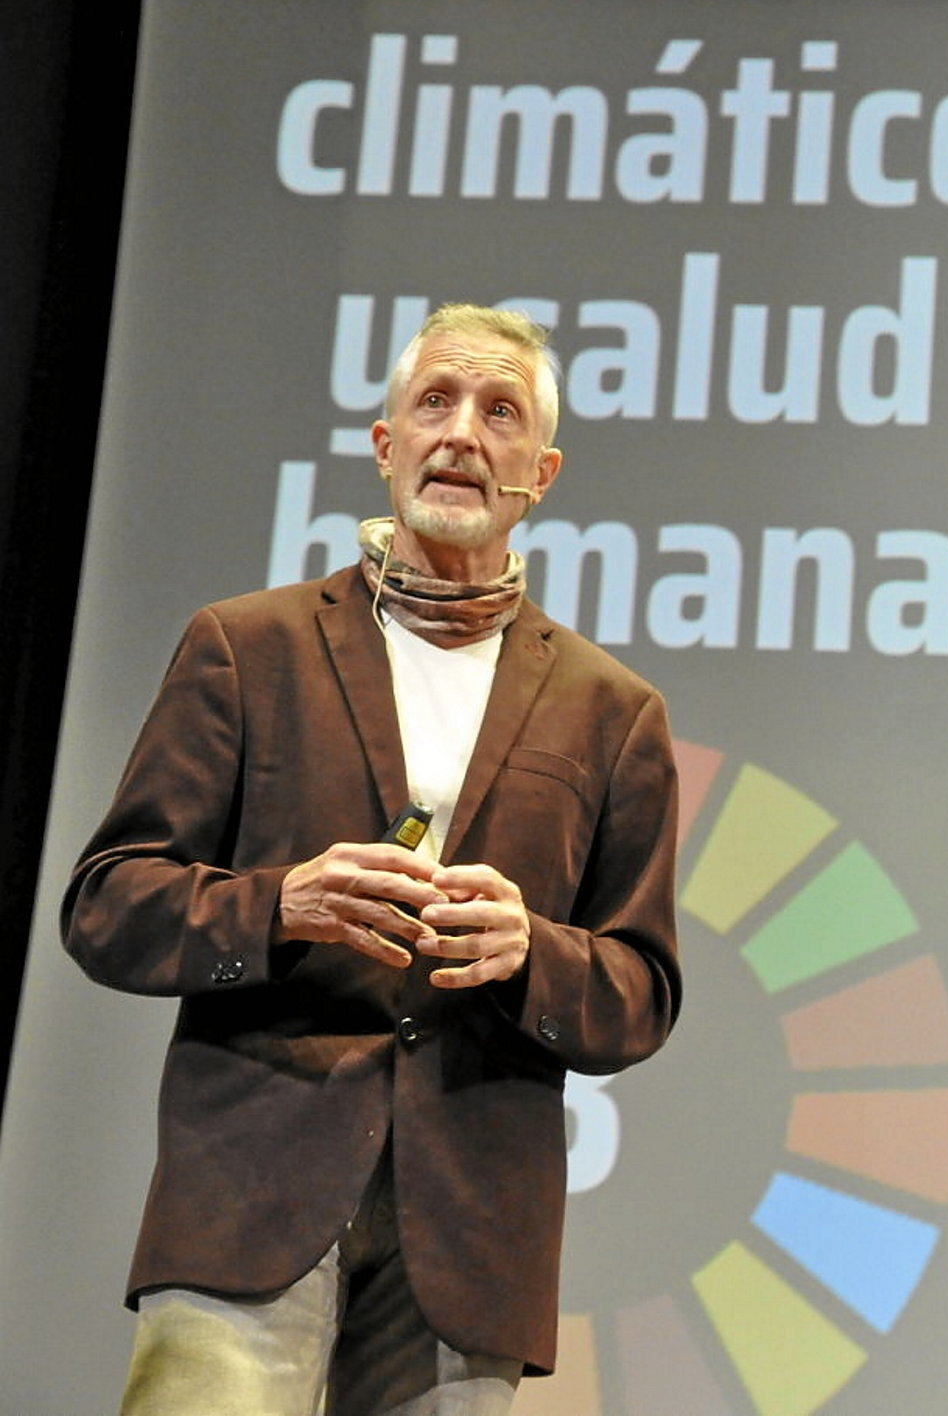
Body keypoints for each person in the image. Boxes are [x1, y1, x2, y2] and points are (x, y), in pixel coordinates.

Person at [62, 303, 681, 1416]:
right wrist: (281, 905)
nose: (463, 433)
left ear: (540, 474)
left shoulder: (612, 710)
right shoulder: (246, 646)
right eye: (435, 401)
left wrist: (531, 951)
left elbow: (641, 989)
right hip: (248, 1193)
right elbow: (108, 902)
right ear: (387, 445)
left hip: (470, 1235)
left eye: (501, 412)